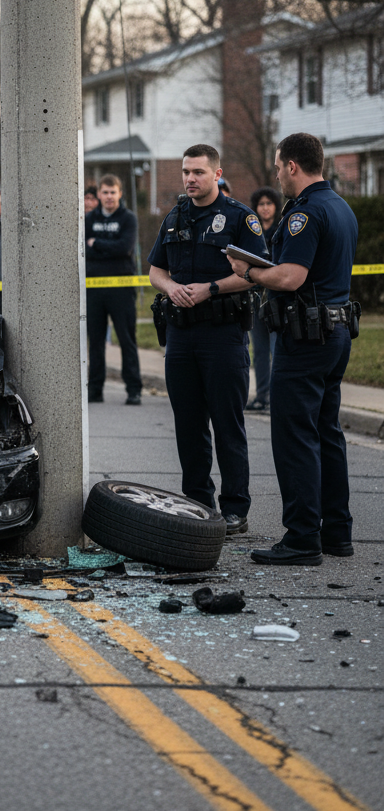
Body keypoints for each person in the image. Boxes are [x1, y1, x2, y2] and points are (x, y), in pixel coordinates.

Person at [227, 134, 360, 566]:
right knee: (327, 433)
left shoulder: (305, 213)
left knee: (295, 436)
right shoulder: (340, 207)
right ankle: (336, 532)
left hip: (306, 339)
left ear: (292, 166)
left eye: (278, 166)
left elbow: (291, 277)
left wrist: (248, 272)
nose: (277, 175)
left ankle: (302, 538)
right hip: (335, 332)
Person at [148, 145, 268, 535]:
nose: (190, 179)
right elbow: (155, 270)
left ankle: (235, 509)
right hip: (181, 336)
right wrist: (170, 288)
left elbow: (255, 273)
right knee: (189, 425)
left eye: (198, 172)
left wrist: (210, 288)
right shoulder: (174, 217)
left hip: (223, 335)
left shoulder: (239, 218)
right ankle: (198, 504)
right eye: (186, 172)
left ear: (217, 174)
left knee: (227, 425)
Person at [85, 174, 141, 405]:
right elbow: (84, 250)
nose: (109, 196)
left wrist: (97, 244)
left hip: (122, 288)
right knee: (95, 342)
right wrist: (107, 249)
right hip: (94, 289)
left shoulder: (128, 219)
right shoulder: (89, 219)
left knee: (127, 339)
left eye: (113, 192)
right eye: (105, 192)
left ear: (120, 194)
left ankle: (134, 390)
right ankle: (95, 390)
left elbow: (125, 248)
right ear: (99, 194)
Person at [245, 186, 283, 412]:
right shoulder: (252, 232)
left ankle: (278, 397)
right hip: (255, 297)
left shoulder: (281, 230)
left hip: (275, 299)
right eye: (261, 204)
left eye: (269, 204)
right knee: (259, 350)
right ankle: (262, 395)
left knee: (275, 349)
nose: (265, 208)